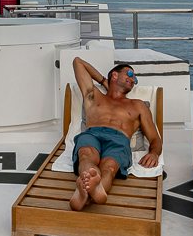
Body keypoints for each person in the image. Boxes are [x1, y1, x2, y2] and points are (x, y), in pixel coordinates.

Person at [68, 57, 162, 211]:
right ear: (115, 75)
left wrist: (154, 153)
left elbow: (154, 138)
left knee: (110, 167)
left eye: (135, 79)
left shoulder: (138, 105)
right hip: (92, 133)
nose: (133, 80)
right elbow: (77, 62)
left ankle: (84, 191)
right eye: (130, 74)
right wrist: (104, 81)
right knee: (86, 155)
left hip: (119, 139)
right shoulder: (94, 95)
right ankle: (94, 188)